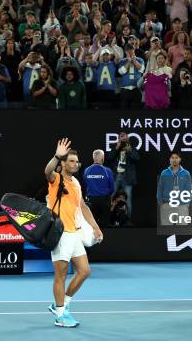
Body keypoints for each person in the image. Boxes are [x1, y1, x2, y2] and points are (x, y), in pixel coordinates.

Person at [44, 138, 102, 328]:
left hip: (75, 232)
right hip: (60, 233)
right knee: (60, 275)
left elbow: (83, 206)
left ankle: (61, 304)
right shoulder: (56, 179)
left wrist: (95, 226)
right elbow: (47, 171)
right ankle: (60, 316)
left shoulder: (76, 182)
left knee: (84, 271)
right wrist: (56, 155)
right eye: (71, 161)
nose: (75, 164)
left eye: (77, 161)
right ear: (62, 163)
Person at [106, 132, 139, 217]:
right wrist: (116, 148)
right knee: (110, 197)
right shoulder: (115, 148)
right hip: (116, 176)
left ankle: (128, 220)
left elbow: (137, 159)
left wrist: (130, 151)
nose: (123, 139)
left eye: (125, 137)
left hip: (127, 177)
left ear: (128, 138)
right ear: (119, 139)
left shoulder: (131, 148)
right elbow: (109, 158)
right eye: (122, 137)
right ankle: (109, 218)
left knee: (128, 200)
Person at [156, 151, 192, 226]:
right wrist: (160, 202)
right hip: (167, 204)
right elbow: (160, 188)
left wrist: (187, 203)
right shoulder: (164, 173)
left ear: (180, 159)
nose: (174, 160)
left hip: (181, 205)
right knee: (166, 230)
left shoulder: (186, 173)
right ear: (169, 159)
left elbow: (189, 189)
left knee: (182, 230)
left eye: (176, 158)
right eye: (172, 158)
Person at [83, 150, 115, 227]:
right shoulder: (107, 171)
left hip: (91, 200)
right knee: (105, 225)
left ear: (93, 158)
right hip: (104, 200)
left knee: (91, 225)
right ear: (102, 158)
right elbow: (112, 188)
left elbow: (85, 185)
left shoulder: (86, 170)